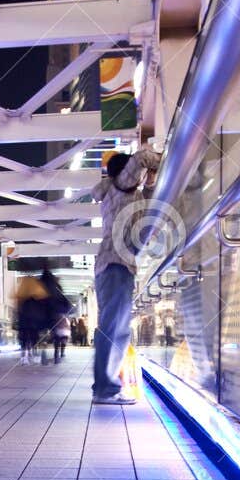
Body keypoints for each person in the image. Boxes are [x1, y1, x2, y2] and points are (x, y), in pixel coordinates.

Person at [92, 143, 163, 404]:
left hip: (113, 265)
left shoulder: (124, 196)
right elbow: (143, 158)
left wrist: (152, 180)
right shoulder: (120, 186)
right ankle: (105, 389)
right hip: (115, 264)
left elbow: (149, 205)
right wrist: (163, 158)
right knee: (114, 329)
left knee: (116, 329)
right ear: (124, 173)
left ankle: (106, 387)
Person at [38, 267, 72, 364]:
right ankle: (56, 356)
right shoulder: (56, 286)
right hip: (54, 314)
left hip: (42, 314)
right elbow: (63, 299)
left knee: (43, 335)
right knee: (56, 335)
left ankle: (43, 355)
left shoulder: (39, 284)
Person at [13, 273, 50, 363]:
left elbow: (18, 310)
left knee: (24, 339)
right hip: (34, 322)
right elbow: (42, 309)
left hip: (24, 322)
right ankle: (34, 354)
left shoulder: (21, 296)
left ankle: (24, 356)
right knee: (34, 337)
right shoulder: (38, 296)